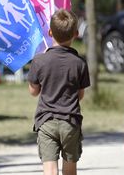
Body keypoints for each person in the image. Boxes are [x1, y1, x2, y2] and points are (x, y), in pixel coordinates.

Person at [27, 9, 90, 175]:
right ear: (76, 34)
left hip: (46, 121)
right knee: (70, 169)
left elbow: (33, 92)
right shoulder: (80, 63)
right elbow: (80, 95)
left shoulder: (39, 60)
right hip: (70, 121)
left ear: (49, 32)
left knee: (50, 170)